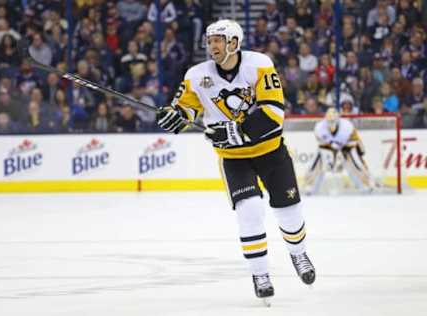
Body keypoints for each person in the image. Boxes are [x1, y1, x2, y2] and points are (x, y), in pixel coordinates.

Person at [155, 19, 315, 303]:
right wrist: (173, 117)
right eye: (210, 40)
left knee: (289, 211)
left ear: (234, 43)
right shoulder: (196, 75)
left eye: (218, 40)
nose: (212, 45)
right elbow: (185, 111)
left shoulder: (260, 65)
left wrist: (234, 130)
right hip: (234, 159)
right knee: (250, 210)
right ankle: (260, 273)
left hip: (271, 151)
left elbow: (274, 114)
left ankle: (298, 253)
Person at [304, 108, 377, 194]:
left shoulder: (347, 127)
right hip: (328, 146)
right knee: (316, 160)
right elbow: (322, 144)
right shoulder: (319, 128)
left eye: (333, 121)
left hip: (347, 145)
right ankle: (310, 184)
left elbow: (355, 140)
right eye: (329, 121)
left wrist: (358, 150)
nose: (331, 124)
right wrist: (331, 154)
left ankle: (367, 182)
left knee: (356, 162)